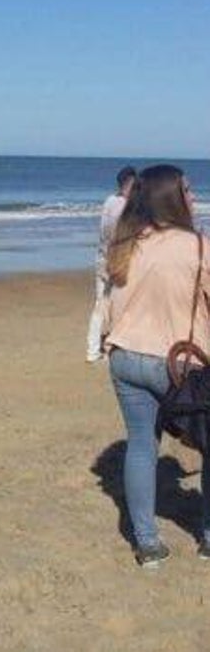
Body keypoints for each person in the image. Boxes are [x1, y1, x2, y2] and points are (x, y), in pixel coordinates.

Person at [105, 165, 210, 568]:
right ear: (173, 196)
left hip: (125, 357)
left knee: (141, 446)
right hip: (179, 365)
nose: (194, 195)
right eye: (188, 188)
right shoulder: (197, 246)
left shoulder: (128, 242)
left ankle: (147, 544)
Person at [88, 167, 137, 362]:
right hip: (117, 261)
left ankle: (92, 350)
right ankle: (110, 348)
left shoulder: (109, 201)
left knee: (100, 304)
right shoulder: (125, 206)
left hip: (102, 258)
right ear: (129, 185)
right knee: (117, 305)